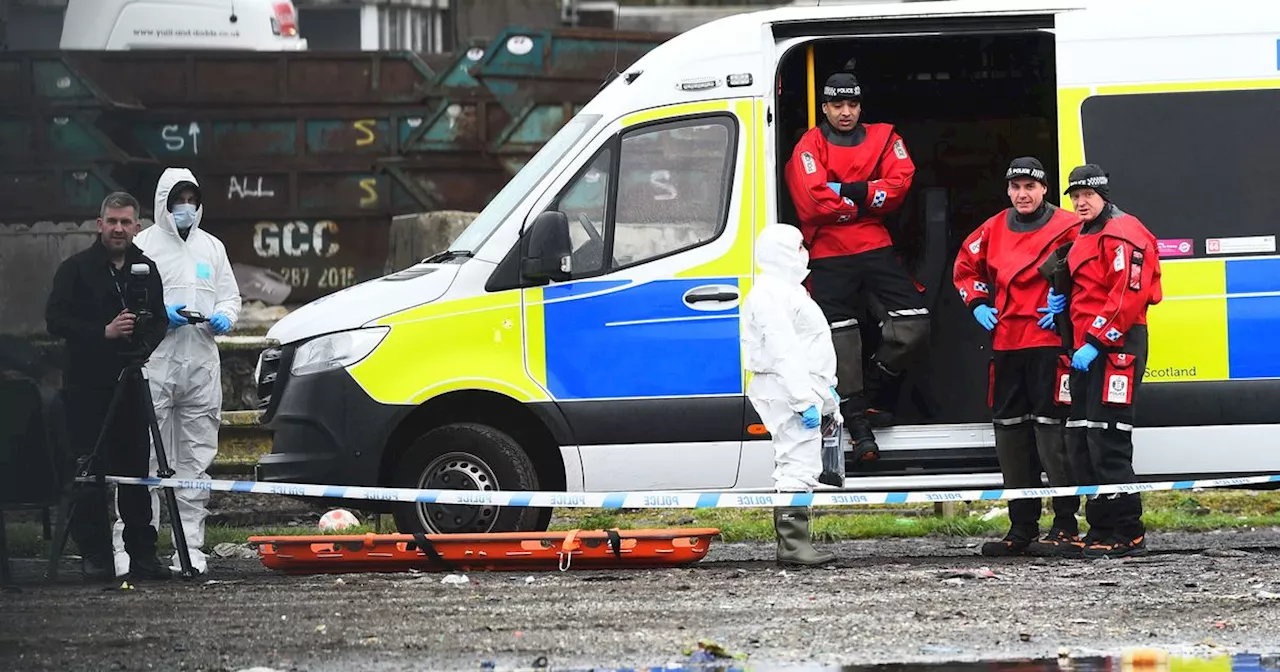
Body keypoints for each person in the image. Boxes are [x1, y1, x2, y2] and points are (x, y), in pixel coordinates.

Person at [783, 71, 928, 463]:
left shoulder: (886, 137)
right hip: (826, 253)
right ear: (825, 107)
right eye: (837, 105)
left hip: (876, 246)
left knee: (914, 324)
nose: (845, 113)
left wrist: (844, 192)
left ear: (860, 106)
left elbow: (900, 185)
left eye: (852, 105)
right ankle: (859, 425)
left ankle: (874, 391)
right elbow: (812, 203)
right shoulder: (808, 145)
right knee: (839, 343)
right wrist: (869, 196)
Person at [112, 168, 242, 577]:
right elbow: (125, 299)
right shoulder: (143, 245)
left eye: (191, 198)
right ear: (163, 202)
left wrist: (224, 315)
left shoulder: (212, 248)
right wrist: (158, 317)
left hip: (201, 362)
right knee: (143, 458)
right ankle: (133, 549)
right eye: (178, 199)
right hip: (155, 362)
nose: (185, 207)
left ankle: (190, 548)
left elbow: (232, 296)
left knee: (195, 459)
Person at [953, 157, 1083, 557]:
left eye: (1030, 186)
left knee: (1052, 435)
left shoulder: (1070, 225)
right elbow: (965, 266)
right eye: (1015, 187)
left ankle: (1065, 524)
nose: (1022, 194)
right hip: (1007, 343)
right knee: (1010, 437)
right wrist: (976, 301)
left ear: (1045, 189)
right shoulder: (993, 228)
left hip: (1048, 342)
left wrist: (1067, 304)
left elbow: (1091, 271)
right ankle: (1021, 525)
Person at [45, 191, 171, 581]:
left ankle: (143, 555)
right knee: (89, 471)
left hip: (131, 383)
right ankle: (96, 555)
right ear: (100, 224)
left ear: (137, 227)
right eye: (112, 221)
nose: (118, 228)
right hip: (87, 386)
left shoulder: (146, 268)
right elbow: (56, 321)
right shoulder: (76, 269)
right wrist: (103, 333)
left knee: (135, 470)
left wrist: (143, 349)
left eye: (126, 222)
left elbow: (160, 319)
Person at [1046, 164, 1162, 559]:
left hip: (1117, 345)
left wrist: (1096, 340)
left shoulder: (1124, 233)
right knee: (1080, 438)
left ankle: (1128, 529)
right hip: (1085, 348)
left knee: (1108, 438)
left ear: (1104, 196)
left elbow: (1127, 296)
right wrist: (1058, 302)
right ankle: (1100, 526)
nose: (1079, 202)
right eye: (1074, 197)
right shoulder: (1084, 234)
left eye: (1087, 196)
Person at [741, 223, 841, 567]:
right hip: (786, 390)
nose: (804, 253)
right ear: (781, 253)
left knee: (801, 461)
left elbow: (808, 345)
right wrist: (803, 400)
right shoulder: (770, 294)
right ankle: (793, 545)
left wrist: (826, 392)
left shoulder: (789, 291)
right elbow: (785, 352)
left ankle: (795, 543)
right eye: (798, 247)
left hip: (797, 387)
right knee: (796, 464)